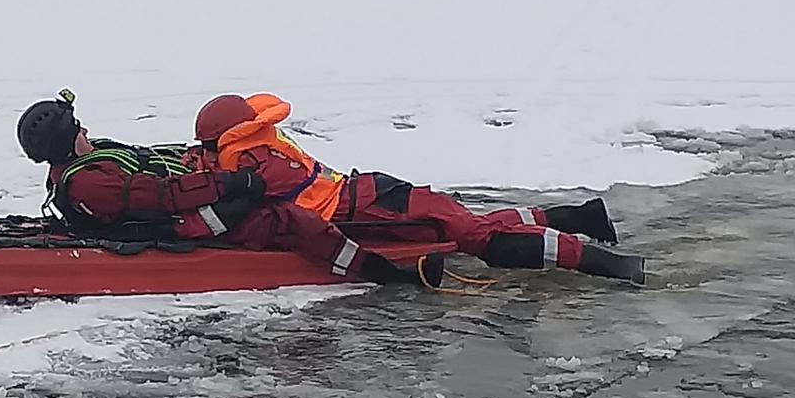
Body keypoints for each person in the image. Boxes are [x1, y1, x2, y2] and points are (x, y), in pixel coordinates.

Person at [192, 93, 646, 284]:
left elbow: (237, 201)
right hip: (371, 193)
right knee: (458, 227)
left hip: (370, 211)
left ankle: (605, 263)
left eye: (209, 147)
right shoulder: (262, 144)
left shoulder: (250, 163)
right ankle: (576, 218)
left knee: (476, 238)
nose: (207, 154)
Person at [16, 92, 444, 288]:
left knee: (261, 198)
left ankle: (372, 231)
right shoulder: (91, 181)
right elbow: (161, 198)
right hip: (179, 224)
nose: (86, 129)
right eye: (77, 128)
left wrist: (203, 160)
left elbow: (156, 167)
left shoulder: (93, 161)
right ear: (63, 140)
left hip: (185, 205)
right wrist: (232, 183)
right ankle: (386, 275)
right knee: (287, 220)